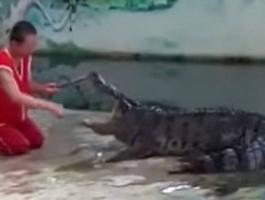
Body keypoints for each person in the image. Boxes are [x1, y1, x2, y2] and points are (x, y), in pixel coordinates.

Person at [0, 21, 64, 155]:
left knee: (36, 141)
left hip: (18, 119)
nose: (32, 50)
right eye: (28, 46)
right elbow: (15, 96)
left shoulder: (25, 58)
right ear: (14, 44)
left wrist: (43, 88)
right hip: (2, 121)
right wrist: (49, 106)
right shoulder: (3, 64)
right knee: (19, 146)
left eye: (33, 45)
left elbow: (26, 83)